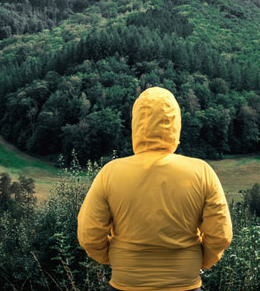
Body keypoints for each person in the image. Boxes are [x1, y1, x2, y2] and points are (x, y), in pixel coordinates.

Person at [77, 87, 232, 291]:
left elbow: (89, 234)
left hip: (126, 282)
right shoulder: (202, 171)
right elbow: (221, 235)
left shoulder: (110, 173)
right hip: (185, 283)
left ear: (136, 124)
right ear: (176, 124)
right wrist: (200, 261)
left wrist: (115, 259)